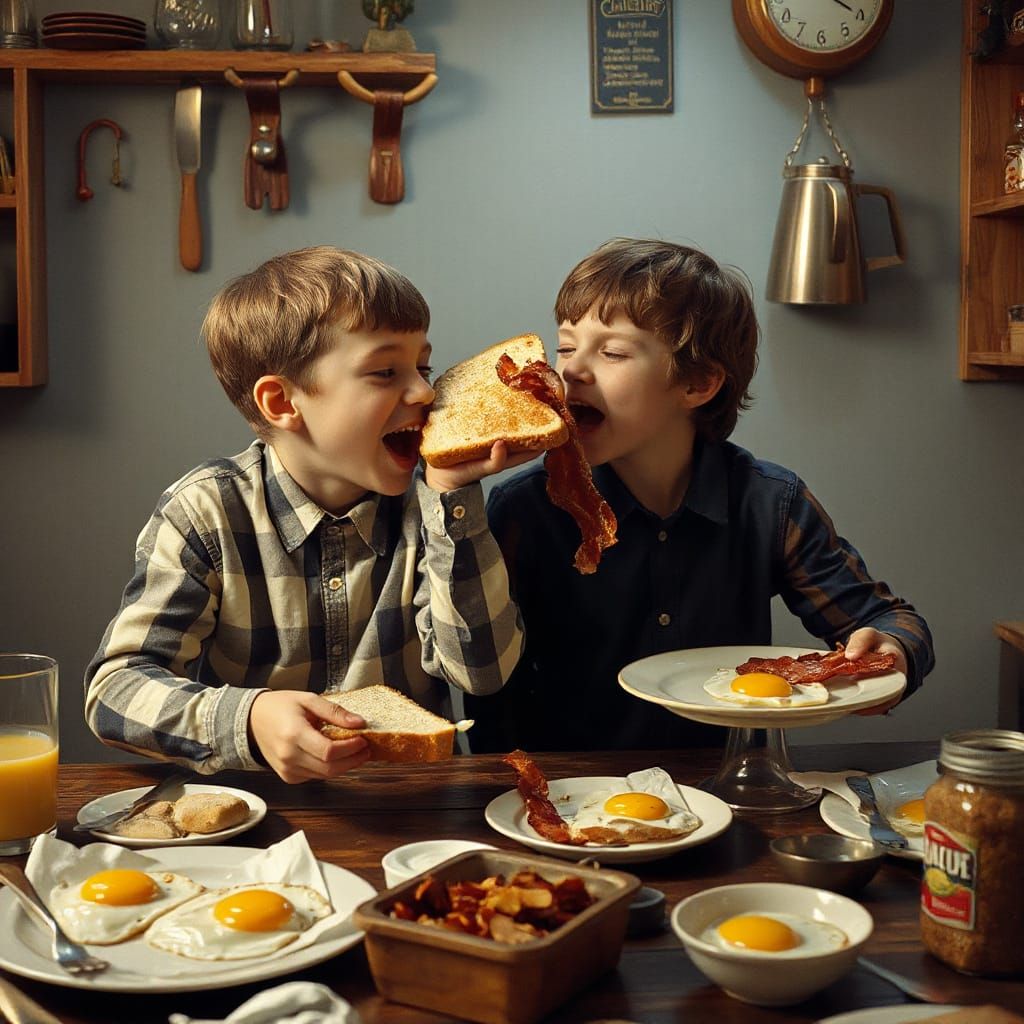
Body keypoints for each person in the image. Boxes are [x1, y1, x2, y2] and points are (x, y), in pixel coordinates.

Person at [465, 238, 935, 752]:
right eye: (567, 347)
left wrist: (891, 650)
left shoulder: (770, 502)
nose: (572, 371)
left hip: (730, 784)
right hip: (573, 790)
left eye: (612, 352)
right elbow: (490, 688)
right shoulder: (525, 508)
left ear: (698, 383)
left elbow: (888, 620)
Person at [86, 246, 528, 782]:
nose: (423, 391)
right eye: (386, 371)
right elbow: (115, 690)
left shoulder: (433, 509)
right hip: (258, 810)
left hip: (412, 805)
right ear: (281, 403)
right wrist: (249, 718)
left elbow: (483, 671)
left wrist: (453, 498)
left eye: (423, 367)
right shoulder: (206, 512)